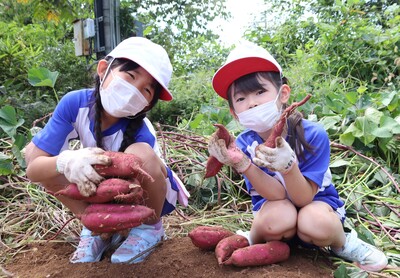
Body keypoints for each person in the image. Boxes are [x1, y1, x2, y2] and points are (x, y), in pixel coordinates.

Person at [208, 41, 388, 272]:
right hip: (275, 215)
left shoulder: (314, 135)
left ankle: (343, 243)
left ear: (283, 93)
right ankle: (251, 237)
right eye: (241, 99)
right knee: (280, 216)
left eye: (260, 92)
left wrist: (289, 166)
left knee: (315, 223)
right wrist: (243, 163)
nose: (251, 102)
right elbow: (275, 195)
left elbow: (304, 199)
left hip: (316, 207)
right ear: (233, 111)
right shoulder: (243, 144)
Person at [24, 37, 189, 264]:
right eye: (130, 77)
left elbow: (142, 178)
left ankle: (149, 229)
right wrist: (65, 161)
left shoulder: (142, 130)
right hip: (99, 191)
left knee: (143, 156)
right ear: (104, 69)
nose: (134, 91)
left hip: (146, 197)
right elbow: (34, 170)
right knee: (45, 164)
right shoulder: (75, 104)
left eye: (147, 90)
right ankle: (94, 228)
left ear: (148, 104)